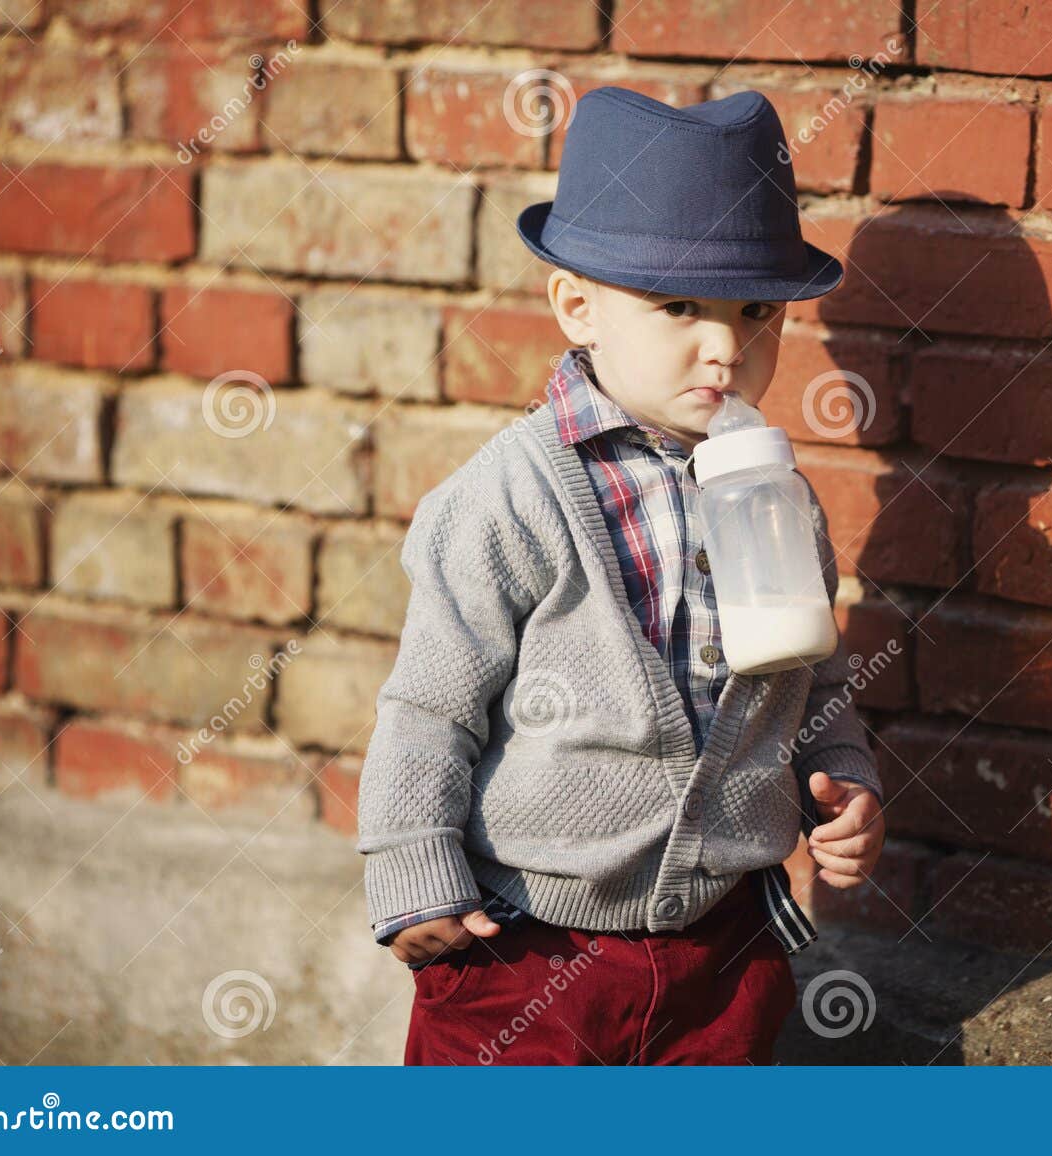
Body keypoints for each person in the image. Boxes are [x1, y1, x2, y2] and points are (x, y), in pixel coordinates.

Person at [356, 85, 885, 1065]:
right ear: (577, 305)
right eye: (678, 305)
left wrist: (843, 780)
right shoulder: (510, 498)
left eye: (755, 311)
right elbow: (431, 704)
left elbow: (814, 683)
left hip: (725, 953)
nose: (724, 346)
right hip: (526, 953)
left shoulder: (779, 497)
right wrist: (410, 868)